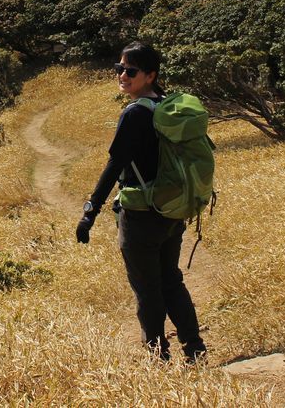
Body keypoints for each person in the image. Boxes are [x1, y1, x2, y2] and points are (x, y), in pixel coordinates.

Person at [75, 41, 206, 363]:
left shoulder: (134, 113)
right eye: (119, 69)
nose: (122, 75)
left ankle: (156, 357)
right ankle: (195, 348)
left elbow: (115, 164)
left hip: (141, 215)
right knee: (171, 280)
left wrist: (90, 211)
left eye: (130, 71)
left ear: (151, 75)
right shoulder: (167, 107)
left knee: (148, 289)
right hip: (172, 210)